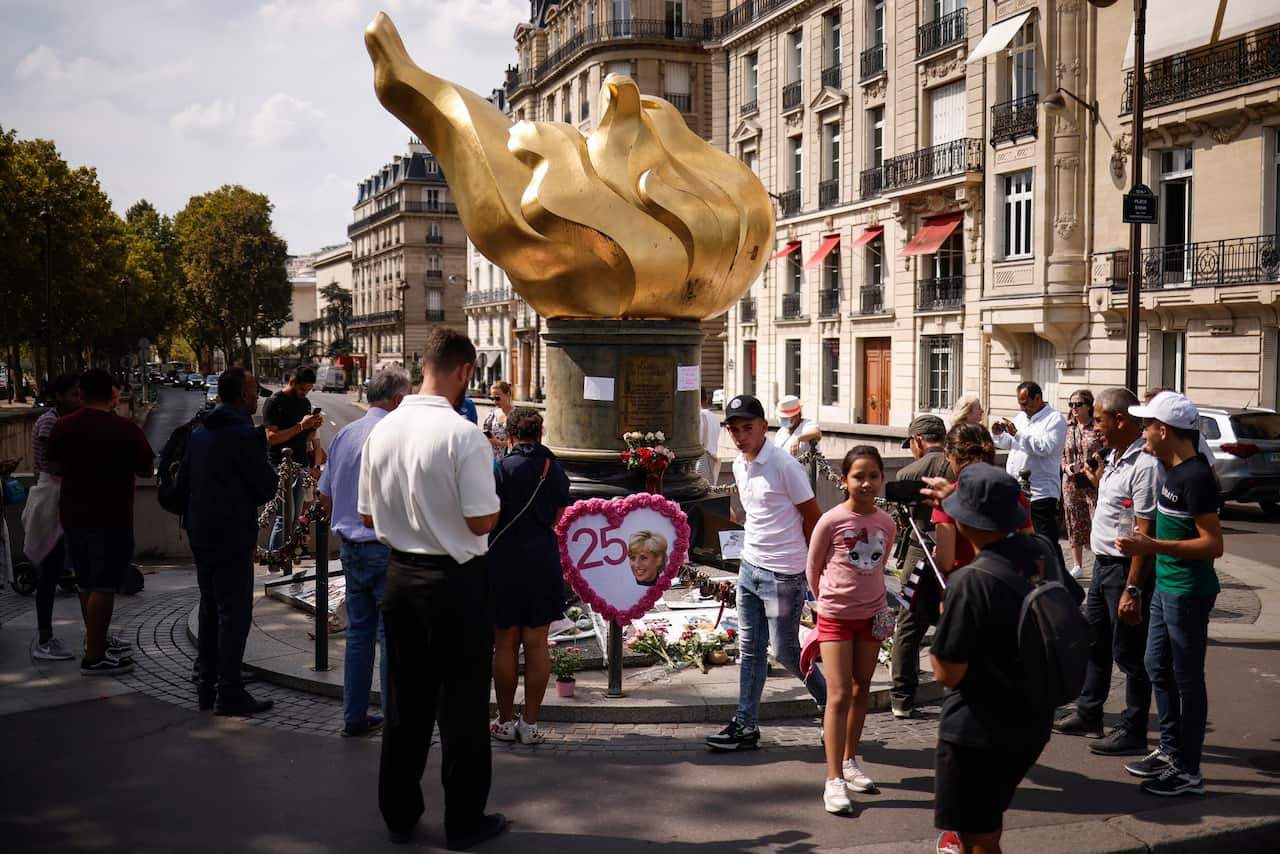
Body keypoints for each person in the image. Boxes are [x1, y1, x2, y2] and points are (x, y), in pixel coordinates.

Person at [359, 328, 507, 849]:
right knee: (462, 706)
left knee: (404, 701)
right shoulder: (464, 435)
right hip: (455, 581)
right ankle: (463, 822)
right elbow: (481, 520)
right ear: (466, 371)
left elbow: (364, 513)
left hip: (400, 575)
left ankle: (399, 813)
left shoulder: (382, 428)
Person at [930, 463, 1059, 854]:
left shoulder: (970, 580)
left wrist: (946, 618)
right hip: (1032, 714)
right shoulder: (1043, 552)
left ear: (965, 520)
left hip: (979, 727)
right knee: (988, 823)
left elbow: (948, 672)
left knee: (976, 839)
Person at [1116, 390, 1223, 797]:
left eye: (1145, 426)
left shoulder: (1195, 477)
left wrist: (1152, 547)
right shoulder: (1168, 469)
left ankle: (1189, 772)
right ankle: (1171, 748)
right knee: (1156, 665)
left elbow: (1213, 544)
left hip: (1187, 593)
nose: (1141, 432)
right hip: (1165, 589)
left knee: (1187, 680)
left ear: (1164, 430)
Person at [706, 394, 827, 750]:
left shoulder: (785, 465)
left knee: (786, 651)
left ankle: (831, 704)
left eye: (747, 427)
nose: (741, 436)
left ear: (763, 426)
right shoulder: (741, 465)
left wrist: (810, 571)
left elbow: (813, 517)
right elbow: (755, 514)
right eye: (734, 429)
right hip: (749, 570)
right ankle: (745, 725)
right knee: (751, 649)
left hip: (782, 575)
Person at [1053, 388, 1159, 755]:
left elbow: (1145, 531)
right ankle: (1089, 711)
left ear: (1120, 420)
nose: (1093, 427)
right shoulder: (1114, 456)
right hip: (1103, 566)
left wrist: (1134, 589)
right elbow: (1117, 507)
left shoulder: (1144, 465)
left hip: (1125, 570)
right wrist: (1098, 482)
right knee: (1094, 640)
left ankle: (1133, 728)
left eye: (1098, 420)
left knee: (1129, 651)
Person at [179, 367, 281, 715]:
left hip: (200, 531)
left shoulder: (200, 430)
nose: (257, 396)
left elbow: (185, 482)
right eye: (254, 390)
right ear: (241, 395)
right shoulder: (245, 435)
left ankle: (206, 684)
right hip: (232, 534)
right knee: (234, 612)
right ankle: (230, 691)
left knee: (209, 606)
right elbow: (267, 486)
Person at [317, 366, 410, 736]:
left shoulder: (345, 436)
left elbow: (325, 497)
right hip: (386, 548)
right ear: (399, 400)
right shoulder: (398, 436)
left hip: (351, 548)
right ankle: (394, 722)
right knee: (391, 638)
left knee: (358, 634)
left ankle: (353, 716)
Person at [807, 446, 896, 815]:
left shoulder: (887, 523)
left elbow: (881, 563)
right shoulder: (830, 520)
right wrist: (822, 602)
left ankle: (849, 760)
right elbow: (813, 568)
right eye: (858, 476)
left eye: (873, 475)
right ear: (844, 481)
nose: (866, 482)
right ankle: (833, 780)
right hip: (835, 616)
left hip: (872, 615)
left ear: (881, 479)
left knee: (862, 689)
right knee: (838, 695)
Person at [48, 369, 154, 676]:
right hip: (111, 517)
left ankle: (94, 641)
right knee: (104, 585)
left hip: (72, 515)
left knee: (86, 583)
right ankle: (94, 656)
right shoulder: (124, 429)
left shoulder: (63, 426)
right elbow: (147, 468)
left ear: (81, 393)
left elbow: (53, 462)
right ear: (112, 394)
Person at [488, 407, 572, 747]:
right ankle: (531, 722)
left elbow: (490, 517)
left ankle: (505, 721)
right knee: (537, 645)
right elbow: (557, 516)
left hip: (505, 558)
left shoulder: (501, 468)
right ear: (540, 434)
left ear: (509, 435)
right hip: (542, 559)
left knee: (505, 644)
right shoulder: (556, 469)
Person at [890, 414, 953, 719]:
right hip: (956, 552)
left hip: (920, 552)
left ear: (917, 441)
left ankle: (902, 697)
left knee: (908, 624)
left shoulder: (907, 474)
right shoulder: (959, 465)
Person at [24, 373, 81, 661]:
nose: (78, 399)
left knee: (62, 570)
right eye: (73, 394)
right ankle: (44, 637)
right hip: (52, 499)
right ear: (59, 396)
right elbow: (56, 459)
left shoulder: (63, 420)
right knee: (49, 573)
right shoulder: (50, 422)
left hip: (61, 496)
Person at [929, 423, 1033, 579]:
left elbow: (946, 562)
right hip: (1008, 583)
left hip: (965, 586)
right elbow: (1030, 543)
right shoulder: (1011, 492)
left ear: (952, 456)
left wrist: (936, 555)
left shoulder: (949, 499)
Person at [991, 381, 1068, 571]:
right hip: (1017, 488)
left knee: (1045, 539)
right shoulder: (1021, 417)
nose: (1022, 407)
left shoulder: (1055, 419)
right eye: (1020, 403)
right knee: (1020, 538)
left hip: (1040, 490)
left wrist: (1017, 433)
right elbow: (1009, 444)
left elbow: (1045, 448)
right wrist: (998, 434)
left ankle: (1061, 580)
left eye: (1026, 403)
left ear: (1038, 398)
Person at [264, 366, 324, 574]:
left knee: (296, 515)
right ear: (291, 381)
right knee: (283, 516)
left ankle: (286, 556)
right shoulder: (275, 403)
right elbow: (271, 439)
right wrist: (300, 426)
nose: (304, 394)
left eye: (307, 390)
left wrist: (312, 426)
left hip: (300, 464)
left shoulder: (305, 403)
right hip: (279, 466)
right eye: (301, 389)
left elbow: (304, 439)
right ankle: (274, 560)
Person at [1062, 389, 1104, 579]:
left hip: (1092, 480)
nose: (1074, 409)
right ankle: (1077, 564)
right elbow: (1061, 454)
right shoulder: (1068, 428)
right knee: (1073, 520)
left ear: (1088, 405)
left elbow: (1106, 451)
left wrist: (1093, 464)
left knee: (1096, 518)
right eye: (1071, 405)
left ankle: (1099, 561)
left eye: (1078, 404)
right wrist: (1066, 467)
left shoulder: (1096, 428)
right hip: (1071, 481)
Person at [482, 381, 513, 462]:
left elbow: (520, 442)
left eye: (497, 398)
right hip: (491, 460)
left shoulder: (516, 416)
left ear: (508, 394)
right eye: (492, 398)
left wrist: (498, 443)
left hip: (509, 460)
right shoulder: (491, 415)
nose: (495, 401)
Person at [698, 387, 721, 485]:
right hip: (713, 461)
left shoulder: (697, 417)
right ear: (706, 399)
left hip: (700, 463)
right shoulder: (715, 417)